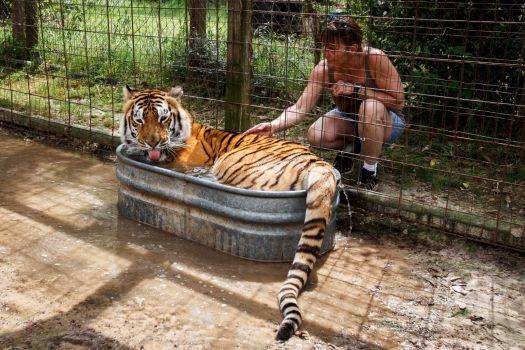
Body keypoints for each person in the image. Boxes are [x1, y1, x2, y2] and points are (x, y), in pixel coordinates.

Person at [244, 16, 405, 190]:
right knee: (316, 135)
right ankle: (357, 145)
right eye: (324, 47)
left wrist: (357, 90)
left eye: (332, 48)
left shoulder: (374, 59)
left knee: (370, 107)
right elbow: (300, 107)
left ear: (352, 49)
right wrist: (273, 126)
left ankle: (369, 172)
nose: (325, 53)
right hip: (350, 118)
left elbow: (398, 101)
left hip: (386, 121)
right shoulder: (324, 69)